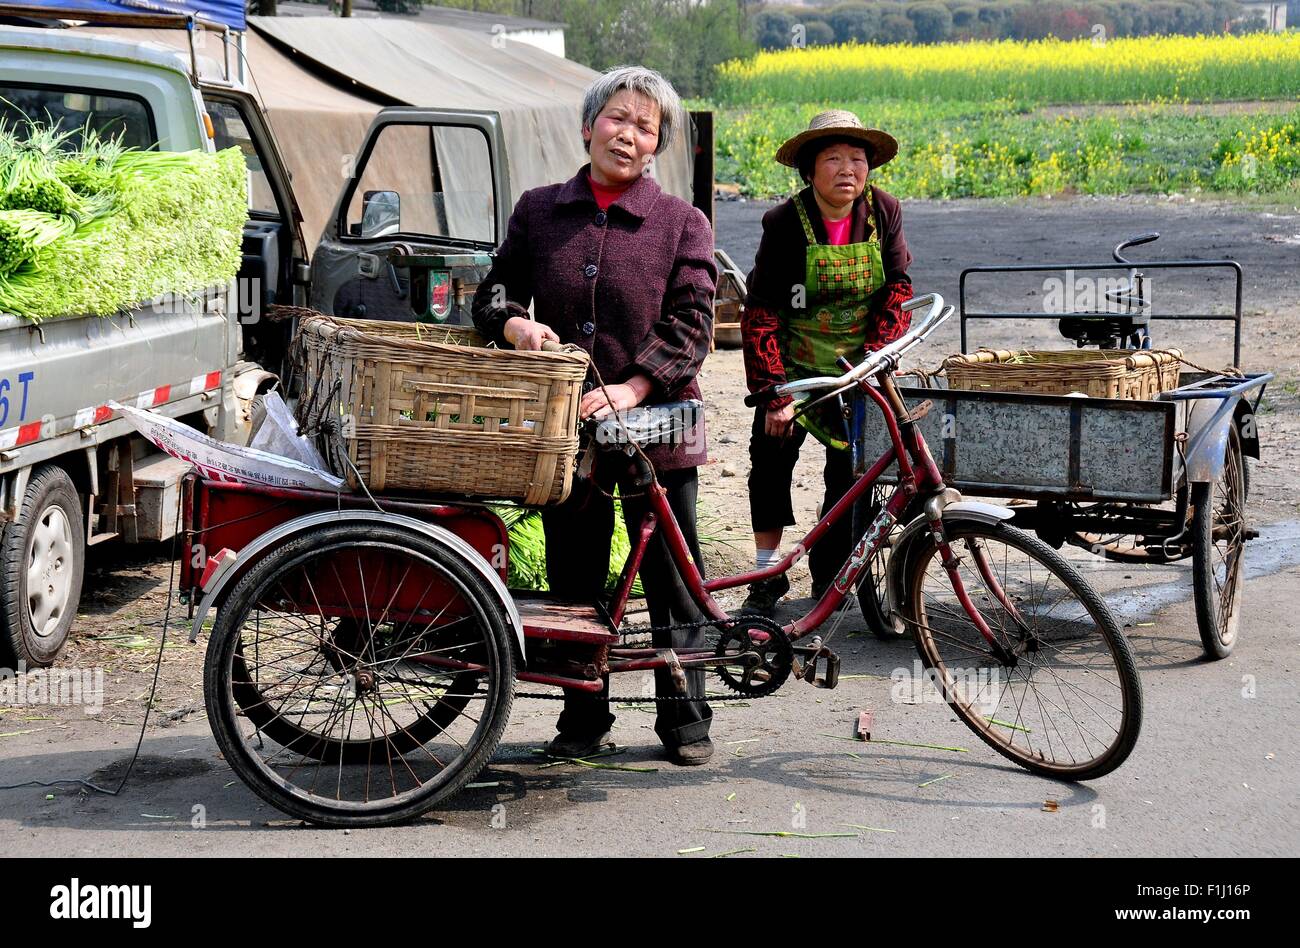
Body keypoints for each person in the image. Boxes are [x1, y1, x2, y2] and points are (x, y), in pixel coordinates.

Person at [471, 66, 718, 765]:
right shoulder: (540, 211)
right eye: (618, 117)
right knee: (575, 574)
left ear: (657, 144)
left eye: (646, 126)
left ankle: (686, 722)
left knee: (674, 578)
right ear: (588, 127)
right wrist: (518, 327)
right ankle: (584, 717)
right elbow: (491, 295)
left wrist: (637, 388)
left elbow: (694, 325)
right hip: (569, 430)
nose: (629, 133)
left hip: (661, 428)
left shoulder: (681, 223)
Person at [740, 110, 914, 617]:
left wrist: (879, 356)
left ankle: (831, 576)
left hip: (858, 366)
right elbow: (763, 310)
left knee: (851, 473)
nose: (847, 170)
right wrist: (774, 392)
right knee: (770, 464)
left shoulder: (885, 212)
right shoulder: (784, 223)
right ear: (810, 170)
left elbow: (898, 289)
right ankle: (766, 575)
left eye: (856, 160)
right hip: (794, 364)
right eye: (833, 159)